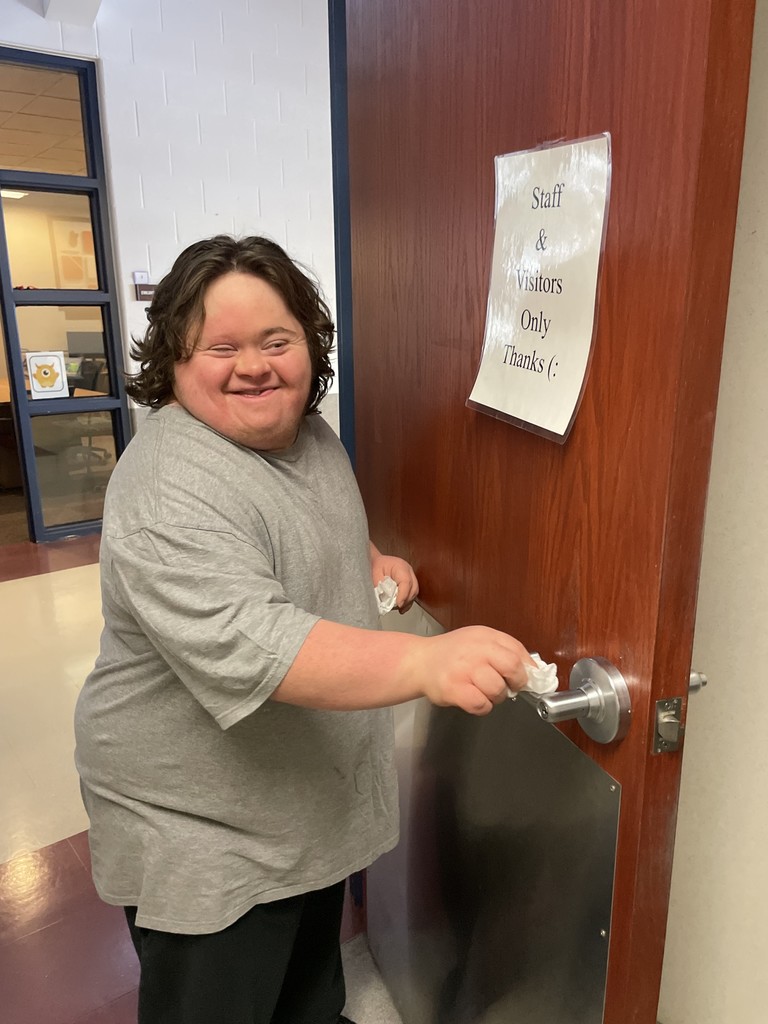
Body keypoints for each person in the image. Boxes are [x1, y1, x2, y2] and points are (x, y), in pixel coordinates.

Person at [74, 234, 534, 1024]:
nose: (253, 367)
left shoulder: (306, 433)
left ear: (310, 345)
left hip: (297, 798)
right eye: (221, 348)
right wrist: (424, 663)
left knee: (308, 995)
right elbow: (251, 641)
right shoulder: (168, 484)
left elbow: (298, 522)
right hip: (202, 824)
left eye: (276, 341)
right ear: (175, 361)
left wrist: (367, 556)